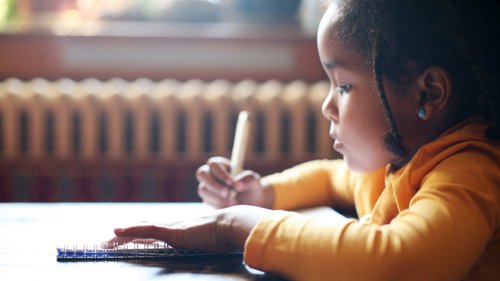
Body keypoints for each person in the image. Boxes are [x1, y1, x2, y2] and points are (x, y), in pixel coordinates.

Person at [105, 0, 500, 280]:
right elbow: (330, 178)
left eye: (344, 85)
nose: (327, 105)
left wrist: (237, 223)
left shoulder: (469, 171)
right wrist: (261, 194)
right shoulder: (401, 162)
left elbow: (399, 262)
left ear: (428, 94)